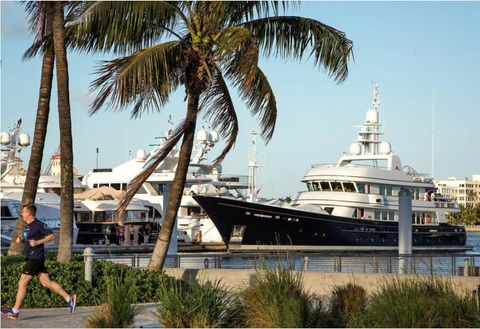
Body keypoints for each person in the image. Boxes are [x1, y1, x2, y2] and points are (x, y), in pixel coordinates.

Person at [1, 204, 77, 320]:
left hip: (35, 258)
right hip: (34, 257)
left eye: (23, 212)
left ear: (29, 213)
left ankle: (14, 311)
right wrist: (22, 240)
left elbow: (51, 236)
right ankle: (69, 298)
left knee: (22, 282)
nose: (21, 214)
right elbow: (30, 240)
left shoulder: (39, 224)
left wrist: (37, 242)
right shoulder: (28, 226)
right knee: (46, 282)